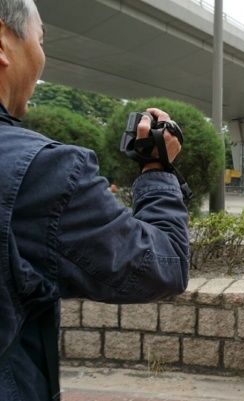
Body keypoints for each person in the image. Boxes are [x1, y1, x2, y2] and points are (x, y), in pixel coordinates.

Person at [0, 1, 189, 400]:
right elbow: (164, 265)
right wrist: (156, 168)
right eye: (39, 39)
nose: (41, 57)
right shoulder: (41, 172)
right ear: (3, 42)